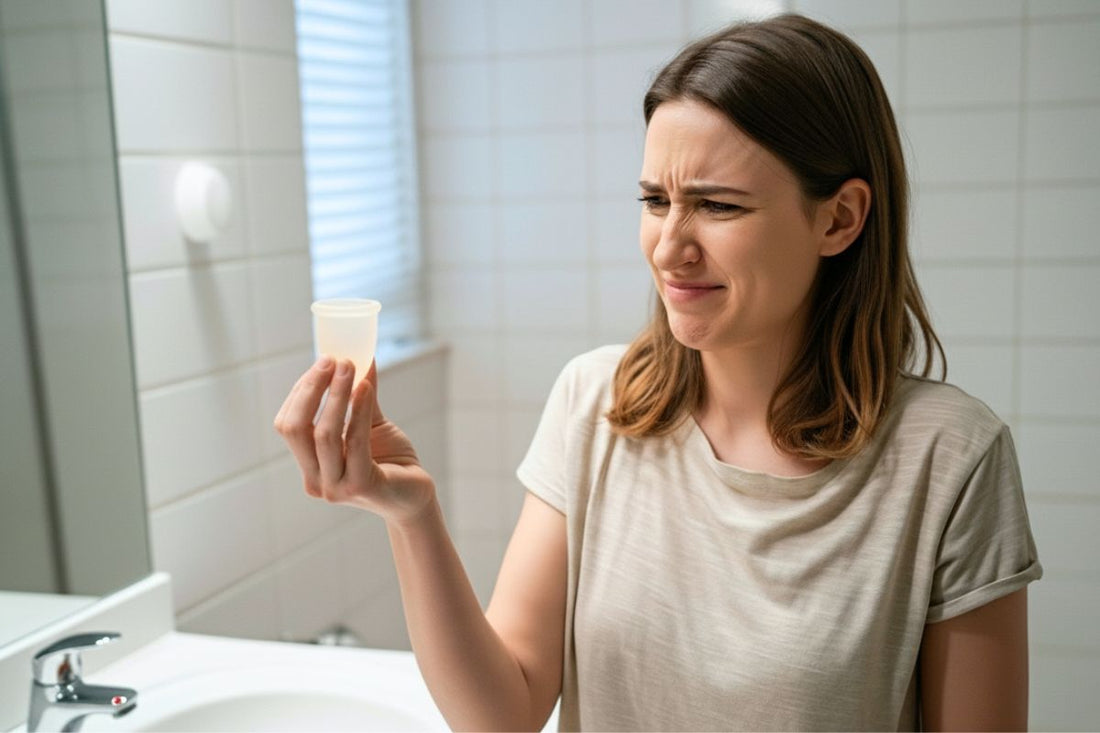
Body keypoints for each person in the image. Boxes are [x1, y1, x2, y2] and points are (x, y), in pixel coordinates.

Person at [274, 13, 1042, 732]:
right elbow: (502, 712)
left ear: (839, 218)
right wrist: (412, 515)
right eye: (654, 199)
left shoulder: (951, 460)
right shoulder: (595, 403)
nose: (669, 246)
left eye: (718, 205)